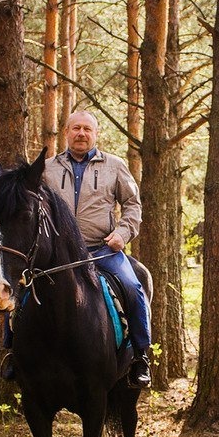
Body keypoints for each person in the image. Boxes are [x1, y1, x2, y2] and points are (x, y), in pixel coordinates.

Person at [42, 110, 152, 387]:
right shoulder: (47, 169)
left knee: (132, 286)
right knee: (23, 290)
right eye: (76, 128)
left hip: (102, 250)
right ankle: (11, 353)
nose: (81, 134)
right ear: (66, 132)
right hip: (57, 257)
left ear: (96, 134)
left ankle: (140, 356)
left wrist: (123, 234)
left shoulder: (114, 166)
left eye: (87, 129)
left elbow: (132, 205)